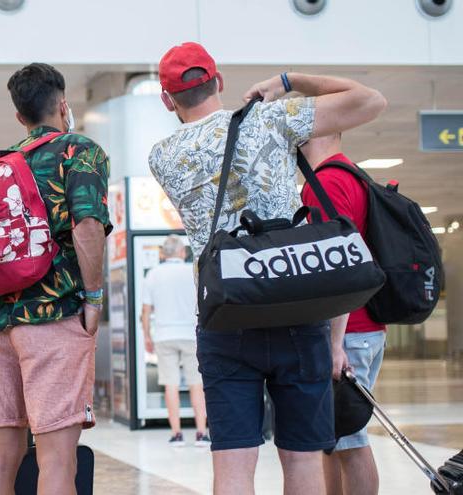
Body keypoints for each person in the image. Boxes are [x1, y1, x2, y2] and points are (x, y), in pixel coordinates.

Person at [147, 42, 387, 495]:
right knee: (302, 462)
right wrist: (287, 83)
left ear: (166, 100)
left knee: (233, 465)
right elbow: (371, 99)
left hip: (225, 314)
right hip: (296, 307)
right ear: (218, 82)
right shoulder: (270, 118)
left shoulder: (161, 156)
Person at [0, 63, 111, 495]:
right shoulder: (77, 151)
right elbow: (87, 225)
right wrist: (93, 298)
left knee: (0, 455)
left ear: (20, 117)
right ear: (63, 106)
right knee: (57, 459)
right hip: (52, 314)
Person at [301, 134, 386, 495]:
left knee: (350, 438)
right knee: (333, 437)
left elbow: (339, 268)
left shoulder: (327, 182)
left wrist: (335, 344)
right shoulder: (349, 174)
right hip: (360, 326)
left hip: (348, 331)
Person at [140, 235, 209, 447]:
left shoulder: (153, 275)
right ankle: (201, 433)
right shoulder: (193, 271)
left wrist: (147, 337)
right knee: (196, 383)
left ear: (163, 254)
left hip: (164, 335)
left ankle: (177, 434)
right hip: (191, 335)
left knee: (170, 384)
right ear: (182, 252)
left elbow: (146, 311)